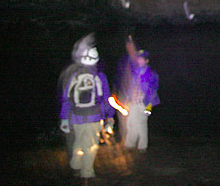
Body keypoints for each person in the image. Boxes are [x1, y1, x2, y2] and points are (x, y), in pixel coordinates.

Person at [58, 33, 115, 182]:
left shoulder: (74, 75)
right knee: (91, 145)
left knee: (78, 141)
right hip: (94, 116)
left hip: (76, 117)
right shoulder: (99, 76)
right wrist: (110, 116)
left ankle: (75, 164)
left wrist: (64, 119)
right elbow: (106, 98)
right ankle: (87, 173)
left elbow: (66, 99)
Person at [115, 36, 160, 153]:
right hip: (134, 102)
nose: (139, 60)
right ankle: (129, 144)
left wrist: (149, 106)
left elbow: (153, 90)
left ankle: (142, 146)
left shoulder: (152, 74)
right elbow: (130, 87)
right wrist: (128, 100)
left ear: (146, 61)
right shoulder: (135, 73)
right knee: (131, 123)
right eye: (139, 58)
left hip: (144, 103)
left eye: (142, 59)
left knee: (142, 124)